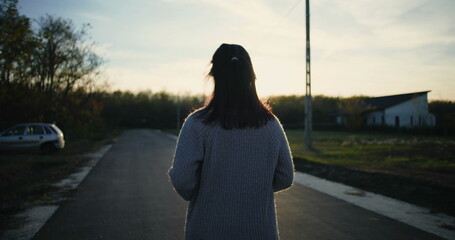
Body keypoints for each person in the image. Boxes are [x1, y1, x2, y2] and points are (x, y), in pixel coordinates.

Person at [168, 43, 294, 240]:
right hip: (260, 232)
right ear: (251, 76)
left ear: (214, 76)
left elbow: (183, 181)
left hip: (207, 231)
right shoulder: (271, 125)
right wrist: (253, 188)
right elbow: (285, 177)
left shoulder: (197, 124)